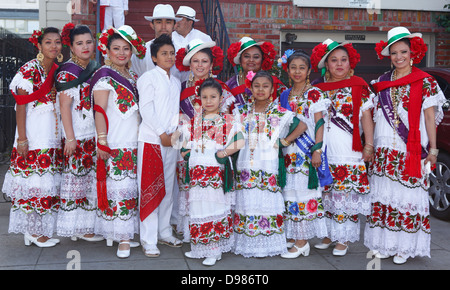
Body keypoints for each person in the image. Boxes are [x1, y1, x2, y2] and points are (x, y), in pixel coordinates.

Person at [364, 27, 446, 264]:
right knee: (386, 198)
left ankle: (405, 247)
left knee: (407, 197)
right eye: (394, 53)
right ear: (388, 55)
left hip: (410, 151)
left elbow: (430, 117)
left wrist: (432, 149)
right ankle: (386, 244)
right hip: (384, 151)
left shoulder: (426, 82)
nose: (399, 57)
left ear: (413, 53)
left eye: (403, 52)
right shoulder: (381, 81)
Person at [232, 70, 307, 258]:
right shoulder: (240, 111)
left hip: (268, 164)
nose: (260, 90)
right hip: (246, 164)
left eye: (265, 86)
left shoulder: (279, 112)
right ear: (250, 88)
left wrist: (285, 141)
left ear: (272, 89)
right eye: (256, 86)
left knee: (266, 202)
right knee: (247, 202)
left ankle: (268, 244)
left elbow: (302, 125)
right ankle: (248, 243)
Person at [310, 38, 375, 256]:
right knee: (327, 194)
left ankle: (344, 238)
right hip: (326, 150)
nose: (339, 64)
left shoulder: (359, 85)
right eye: (334, 60)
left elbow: (366, 117)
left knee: (346, 196)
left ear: (350, 63)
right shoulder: (318, 89)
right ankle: (329, 234)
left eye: (343, 60)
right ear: (326, 65)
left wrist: (369, 145)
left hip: (349, 150)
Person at [4, 27, 63, 247]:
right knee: (31, 186)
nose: (53, 46)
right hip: (32, 137)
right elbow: (21, 107)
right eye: (48, 42)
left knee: (44, 187)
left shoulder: (57, 71)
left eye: (57, 42)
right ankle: (32, 232)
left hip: (50, 137)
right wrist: (22, 139)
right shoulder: (28, 70)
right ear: (39, 45)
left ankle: (39, 231)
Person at [91, 25, 145, 258]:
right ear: (107, 50)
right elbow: (99, 110)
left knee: (128, 189)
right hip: (115, 141)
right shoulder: (104, 76)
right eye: (116, 49)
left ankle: (119, 233)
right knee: (118, 188)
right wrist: (102, 141)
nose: (121, 53)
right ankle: (123, 239)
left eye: (126, 49)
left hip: (133, 140)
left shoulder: (132, 76)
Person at [179, 78, 244, 266]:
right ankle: (200, 247)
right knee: (198, 208)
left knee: (213, 207)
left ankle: (214, 249)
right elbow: (182, 144)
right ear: (199, 99)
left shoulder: (228, 121)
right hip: (197, 174)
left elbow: (239, 142)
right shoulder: (193, 122)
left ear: (221, 98)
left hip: (215, 173)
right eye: (205, 97)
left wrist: (223, 153)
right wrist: (186, 151)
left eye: (213, 97)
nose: (209, 101)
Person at [174, 38, 234, 241]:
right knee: (188, 188)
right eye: (195, 61)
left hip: (212, 149)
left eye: (204, 61)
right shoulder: (181, 88)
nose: (200, 65)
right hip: (188, 145)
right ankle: (192, 232)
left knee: (210, 193)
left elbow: (227, 121)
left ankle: (213, 234)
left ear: (211, 64)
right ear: (189, 64)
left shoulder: (221, 88)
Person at [277, 49, 332, 258]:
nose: (297, 71)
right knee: (290, 194)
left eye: (302, 67)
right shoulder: (284, 95)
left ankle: (302, 242)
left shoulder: (314, 93)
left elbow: (319, 123)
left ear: (309, 70)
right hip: (288, 153)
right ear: (288, 71)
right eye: (293, 68)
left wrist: (317, 149)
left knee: (303, 194)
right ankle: (294, 236)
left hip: (307, 153)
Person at [136, 34, 183, 258]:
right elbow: (146, 109)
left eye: (172, 53)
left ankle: (165, 231)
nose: (169, 57)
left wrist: (173, 135)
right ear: (154, 57)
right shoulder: (148, 78)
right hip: (152, 140)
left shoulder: (175, 81)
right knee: (150, 187)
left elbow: (174, 112)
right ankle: (148, 238)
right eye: (164, 53)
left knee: (167, 188)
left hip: (170, 141)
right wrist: (161, 134)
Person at [55, 23, 103, 241]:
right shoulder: (67, 72)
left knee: (89, 180)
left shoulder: (93, 67)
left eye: (89, 42)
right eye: (79, 43)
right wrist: (70, 139)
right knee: (76, 180)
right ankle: (76, 227)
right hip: (77, 135)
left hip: (92, 133)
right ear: (71, 47)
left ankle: (86, 226)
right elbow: (64, 107)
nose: (85, 47)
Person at [226, 36, 286, 109]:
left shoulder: (275, 84)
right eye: (247, 56)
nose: (251, 60)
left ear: (262, 60)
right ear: (240, 60)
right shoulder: (229, 86)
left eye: (256, 57)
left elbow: (285, 112)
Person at [130, 3, 181, 78]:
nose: (163, 27)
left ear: (175, 25)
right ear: (152, 25)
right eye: (159, 22)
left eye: (168, 22)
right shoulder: (142, 52)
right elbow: (134, 77)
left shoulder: (180, 51)